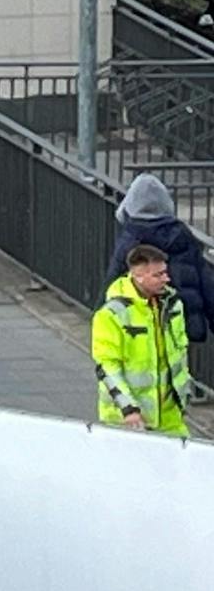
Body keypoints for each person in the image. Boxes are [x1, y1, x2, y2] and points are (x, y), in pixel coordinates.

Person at [93, 243, 191, 434]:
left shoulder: (173, 305)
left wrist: (183, 395)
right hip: (128, 419)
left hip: (170, 415)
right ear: (137, 276)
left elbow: (179, 354)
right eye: (158, 275)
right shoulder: (111, 314)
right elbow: (107, 366)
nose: (166, 279)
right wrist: (128, 408)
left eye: (165, 272)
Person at [105, 173, 214, 343]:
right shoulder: (182, 237)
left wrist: (101, 323)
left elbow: (112, 283)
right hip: (181, 323)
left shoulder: (131, 240)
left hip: (140, 327)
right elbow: (207, 284)